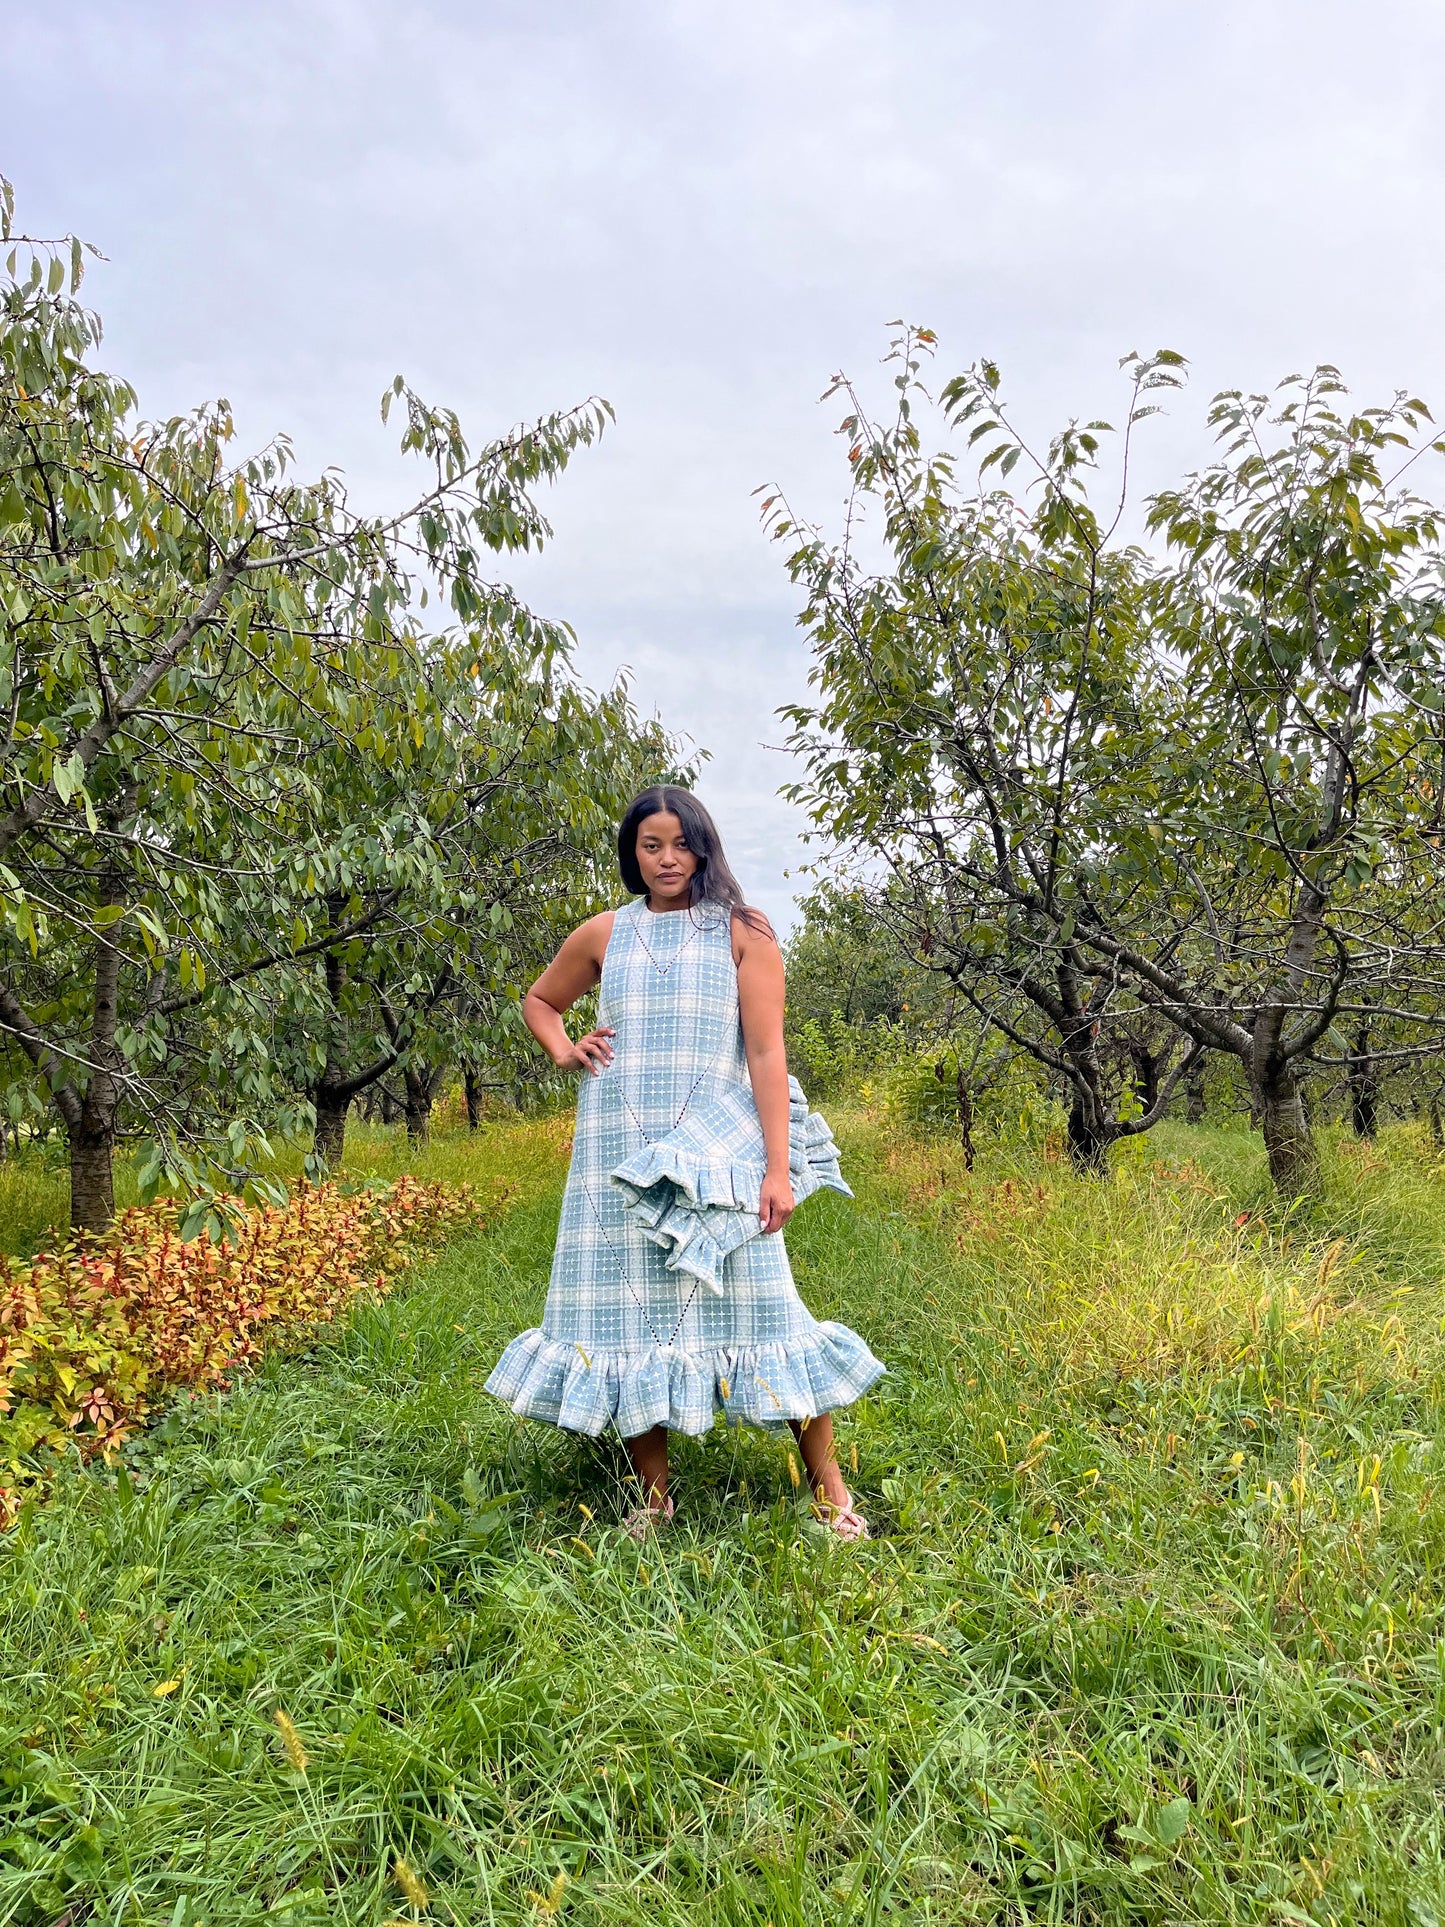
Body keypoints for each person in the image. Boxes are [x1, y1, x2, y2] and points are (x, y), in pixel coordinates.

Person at [484, 785, 884, 1538]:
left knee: (769, 1312)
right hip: (618, 1153)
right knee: (626, 1316)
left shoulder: (742, 931)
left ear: (704, 845)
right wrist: (564, 1048)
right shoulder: (604, 931)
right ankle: (654, 1499)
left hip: (717, 1154)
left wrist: (775, 1166)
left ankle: (831, 1493)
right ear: (631, 854)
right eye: (650, 845)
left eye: (680, 843)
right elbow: (540, 1000)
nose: (667, 859)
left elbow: (767, 1052)